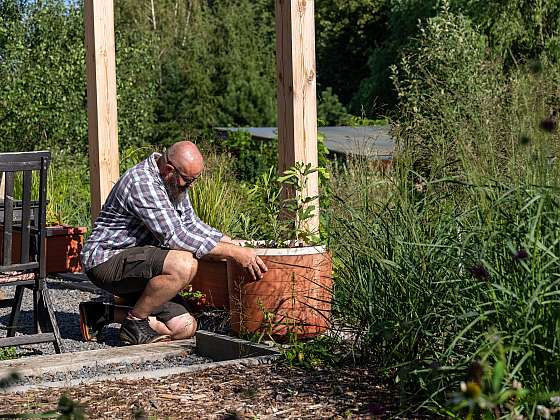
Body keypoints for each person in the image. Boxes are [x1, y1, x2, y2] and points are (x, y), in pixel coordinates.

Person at [79, 141, 268, 345]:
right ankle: (135, 322)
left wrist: (230, 242)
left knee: (184, 327)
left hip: (140, 263)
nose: (191, 185)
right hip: (107, 260)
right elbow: (175, 237)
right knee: (184, 264)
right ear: (170, 170)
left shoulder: (172, 183)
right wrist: (233, 253)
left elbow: (190, 223)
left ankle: (101, 314)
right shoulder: (143, 183)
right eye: (188, 180)